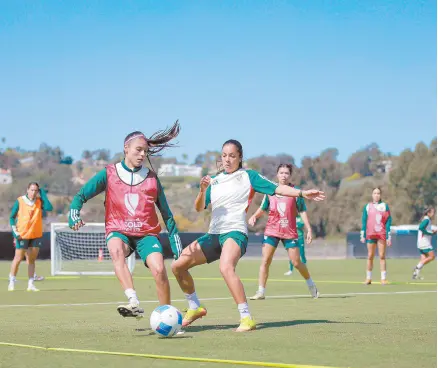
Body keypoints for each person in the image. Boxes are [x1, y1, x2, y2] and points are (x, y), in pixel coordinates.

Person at [171, 140, 325, 332]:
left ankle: (246, 318)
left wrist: (301, 193)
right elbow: (199, 207)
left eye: (232, 156)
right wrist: (202, 190)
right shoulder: (215, 180)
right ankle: (194, 307)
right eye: (224, 155)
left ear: (240, 157)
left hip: (235, 232)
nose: (227, 160)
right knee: (177, 266)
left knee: (226, 268)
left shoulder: (248, 176)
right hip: (213, 234)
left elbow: (277, 188)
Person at [69, 122, 182, 318]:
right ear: (126, 148)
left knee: (159, 269)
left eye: (145, 152)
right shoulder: (109, 173)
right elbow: (80, 196)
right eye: (138, 150)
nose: (142, 155)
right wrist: (74, 214)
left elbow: (167, 214)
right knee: (115, 249)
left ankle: (167, 315)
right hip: (118, 230)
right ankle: (133, 302)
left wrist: (177, 247)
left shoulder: (152, 179)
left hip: (146, 234)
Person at [248, 164, 318, 300]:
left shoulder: (296, 192)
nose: (284, 175)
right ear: (277, 174)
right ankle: (261, 291)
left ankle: (311, 284)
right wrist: (254, 216)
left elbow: (302, 211)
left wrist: (308, 229)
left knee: (296, 262)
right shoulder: (270, 191)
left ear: (290, 175)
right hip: (272, 230)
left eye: (286, 173)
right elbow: (263, 208)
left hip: (289, 231)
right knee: (265, 260)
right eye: (281, 173)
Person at [8, 182, 53, 291]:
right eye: (32, 190)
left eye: (36, 190)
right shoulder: (20, 201)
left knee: (32, 260)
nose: (33, 192)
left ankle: (30, 284)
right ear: (27, 190)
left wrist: (43, 194)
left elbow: (49, 207)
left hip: (36, 234)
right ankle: (12, 281)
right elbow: (11, 217)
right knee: (18, 258)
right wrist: (15, 232)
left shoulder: (39, 201)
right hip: (22, 235)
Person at [360, 187, 392, 285]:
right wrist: (363, 234)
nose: (376, 195)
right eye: (374, 193)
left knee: (382, 256)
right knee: (370, 256)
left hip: (381, 234)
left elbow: (388, 221)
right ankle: (368, 278)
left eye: (378, 193)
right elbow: (364, 221)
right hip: (370, 234)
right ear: (372, 195)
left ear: (381, 195)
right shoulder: (367, 206)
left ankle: (383, 278)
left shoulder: (384, 206)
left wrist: (388, 236)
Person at [412, 207, 436, 280]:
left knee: (423, 259)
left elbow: (425, 229)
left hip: (421, 242)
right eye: (432, 212)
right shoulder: (426, 220)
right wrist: (431, 233)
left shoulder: (426, 219)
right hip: (424, 242)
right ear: (428, 213)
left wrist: (431, 231)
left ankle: (415, 275)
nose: (433, 214)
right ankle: (417, 267)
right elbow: (421, 228)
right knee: (432, 256)